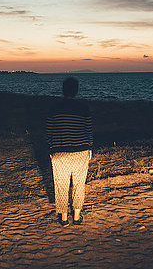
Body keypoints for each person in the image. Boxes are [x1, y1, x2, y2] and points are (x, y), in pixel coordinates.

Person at [46, 77, 93, 226]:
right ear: (76, 91)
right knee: (79, 184)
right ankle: (77, 217)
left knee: (61, 184)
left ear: (63, 90)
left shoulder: (54, 109)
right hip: (81, 151)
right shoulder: (84, 108)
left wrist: (51, 148)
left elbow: (49, 133)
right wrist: (89, 148)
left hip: (60, 152)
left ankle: (64, 218)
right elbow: (89, 131)